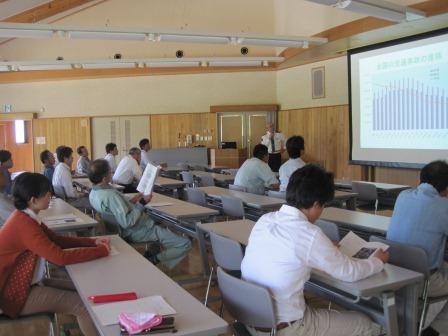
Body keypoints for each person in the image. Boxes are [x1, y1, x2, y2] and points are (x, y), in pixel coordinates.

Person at [241, 164, 389, 336]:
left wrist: (323, 248)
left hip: (252, 320)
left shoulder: (265, 219)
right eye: (323, 206)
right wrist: (377, 261)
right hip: (285, 329)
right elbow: (349, 273)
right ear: (317, 204)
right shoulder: (309, 234)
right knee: (364, 323)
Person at [0, 172, 110, 336]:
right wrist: (100, 251)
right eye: (46, 194)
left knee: (85, 289)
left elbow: (57, 240)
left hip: (23, 283)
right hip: (11, 295)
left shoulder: (25, 217)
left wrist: (93, 242)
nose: (50, 196)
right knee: (83, 306)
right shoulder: (24, 224)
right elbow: (60, 257)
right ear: (33, 200)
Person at [89, 159, 191, 269]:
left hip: (123, 228)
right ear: (104, 178)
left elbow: (115, 210)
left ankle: (150, 254)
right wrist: (142, 202)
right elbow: (127, 222)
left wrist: (133, 200)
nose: (111, 173)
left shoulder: (94, 193)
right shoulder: (110, 195)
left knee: (159, 221)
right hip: (136, 231)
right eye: (110, 172)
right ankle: (154, 259)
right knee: (185, 244)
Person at [387, 160, 448, 336]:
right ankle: (434, 330)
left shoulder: (403, 195)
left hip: (394, 273)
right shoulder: (443, 206)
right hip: (423, 281)